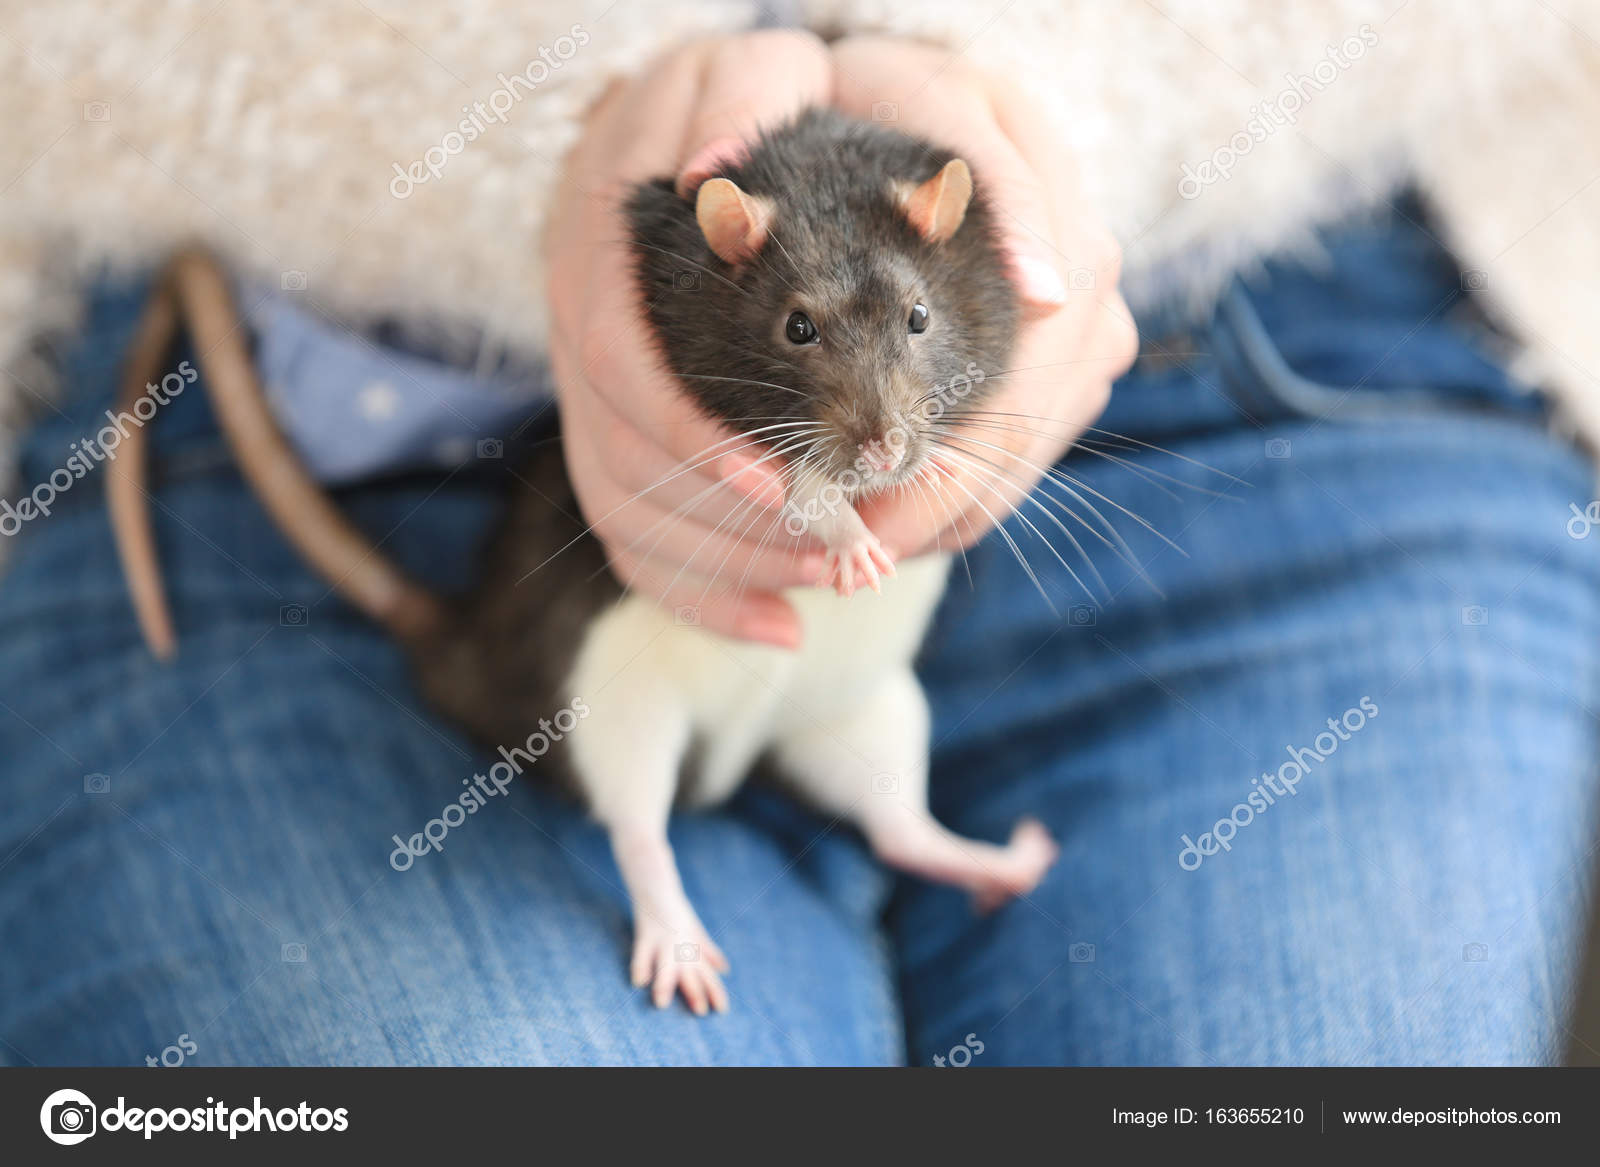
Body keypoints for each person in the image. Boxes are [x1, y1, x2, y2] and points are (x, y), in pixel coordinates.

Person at [1, 32, 1594, 1066]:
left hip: (1306, 352)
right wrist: (558, 132)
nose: (880, 415)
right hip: (373, 392)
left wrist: (1028, 95)